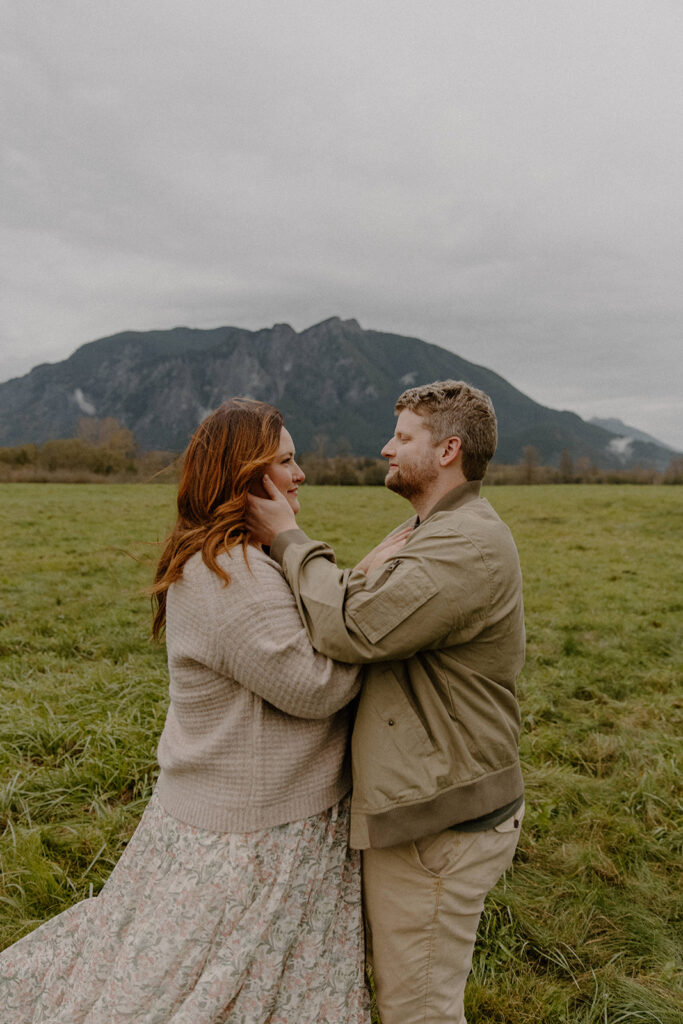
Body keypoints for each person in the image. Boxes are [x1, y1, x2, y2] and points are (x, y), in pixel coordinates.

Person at [0, 399, 370, 1024]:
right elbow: (316, 685)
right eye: (286, 460)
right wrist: (383, 625)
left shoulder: (231, 557)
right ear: (247, 476)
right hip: (252, 835)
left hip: (242, 815)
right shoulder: (230, 570)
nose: (300, 472)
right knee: (188, 988)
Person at [247, 380, 526, 1024]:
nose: (385, 448)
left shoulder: (463, 546)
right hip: (433, 803)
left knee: (418, 1010)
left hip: (440, 823)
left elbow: (351, 627)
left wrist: (289, 537)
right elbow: (359, 603)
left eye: (402, 438)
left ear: (448, 449)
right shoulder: (432, 529)